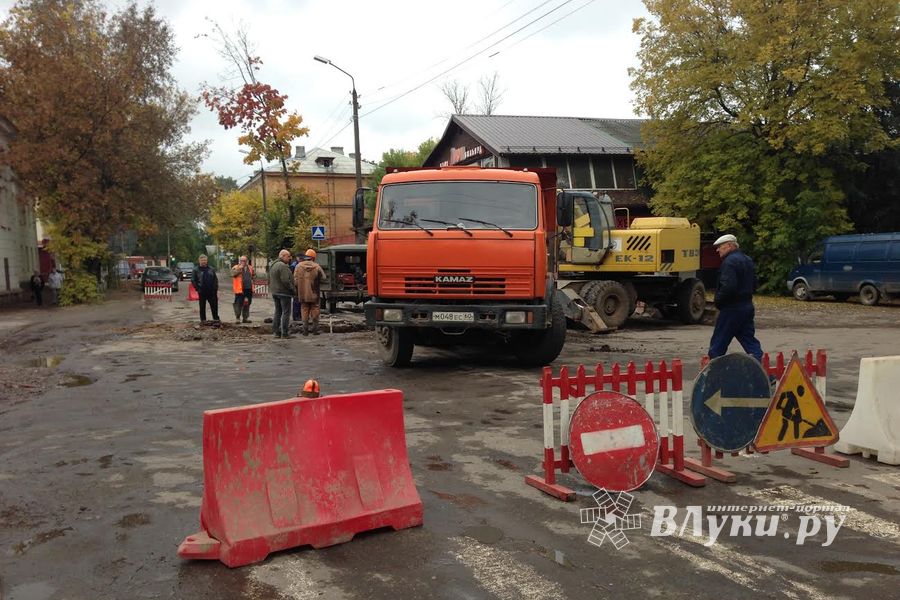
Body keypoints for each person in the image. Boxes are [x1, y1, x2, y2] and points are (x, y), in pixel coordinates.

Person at [708, 234, 763, 361]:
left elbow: (728, 286)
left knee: (718, 344)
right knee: (749, 341)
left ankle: (716, 373)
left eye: (720, 247)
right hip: (747, 305)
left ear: (729, 245)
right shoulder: (747, 260)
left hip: (731, 308)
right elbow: (754, 283)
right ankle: (762, 371)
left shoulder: (729, 262)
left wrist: (719, 301)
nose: (717, 250)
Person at [294, 248, 326, 336]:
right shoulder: (317, 266)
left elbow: (295, 281)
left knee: (304, 309)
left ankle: (305, 330)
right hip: (314, 292)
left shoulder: (298, 266)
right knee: (315, 309)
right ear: (313, 257)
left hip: (302, 293)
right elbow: (324, 278)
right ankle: (315, 330)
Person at [269, 249, 295, 338]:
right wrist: (292, 289)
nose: (290, 258)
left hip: (275, 292)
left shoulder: (273, 265)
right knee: (286, 312)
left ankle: (276, 332)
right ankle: (285, 333)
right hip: (284, 292)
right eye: (288, 256)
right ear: (282, 256)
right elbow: (285, 280)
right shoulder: (282, 266)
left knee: (278, 312)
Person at [191, 255, 220, 323]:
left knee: (214, 305)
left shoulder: (211, 269)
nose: (203, 262)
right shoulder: (196, 270)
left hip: (211, 291)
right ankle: (203, 320)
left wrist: (215, 288)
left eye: (205, 260)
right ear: (199, 261)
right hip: (202, 290)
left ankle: (216, 319)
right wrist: (197, 289)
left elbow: (215, 279)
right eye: (202, 260)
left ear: (207, 261)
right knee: (202, 306)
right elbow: (193, 280)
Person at [230, 255, 254, 323]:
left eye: (244, 260)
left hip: (248, 289)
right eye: (242, 260)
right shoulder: (236, 267)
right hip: (239, 289)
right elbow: (232, 274)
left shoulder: (250, 268)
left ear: (247, 261)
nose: (243, 262)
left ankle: (245, 318)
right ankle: (237, 318)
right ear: (240, 261)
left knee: (247, 303)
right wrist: (239, 269)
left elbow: (253, 276)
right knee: (238, 304)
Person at [290, 252, 303, 321]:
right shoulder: (294, 265)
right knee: (296, 301)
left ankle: (299, 315)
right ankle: (296, 316)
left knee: (299, 301)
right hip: (296, 285)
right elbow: (292, 276)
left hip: (299, 285)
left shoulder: (296, 265)